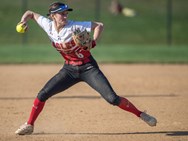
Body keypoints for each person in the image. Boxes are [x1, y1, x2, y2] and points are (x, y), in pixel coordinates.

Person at [15, 2, 157, 135]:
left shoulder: (74, 26)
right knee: (42, 94)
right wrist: (23, 21)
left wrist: (93, 42)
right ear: (53, 16)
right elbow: (30, 13)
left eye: (66, 13)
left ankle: (141, 114)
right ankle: (29, 125)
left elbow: (99, 25)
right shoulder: (47, 25)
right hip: (69, 70)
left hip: (88, 68)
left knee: (112, 98)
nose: (65, 16)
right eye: (62, 13)